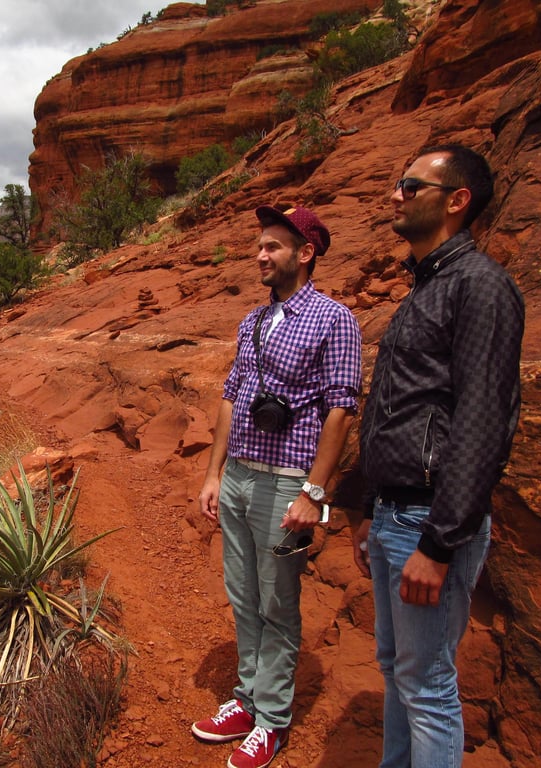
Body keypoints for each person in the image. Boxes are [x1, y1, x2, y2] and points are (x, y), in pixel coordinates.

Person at [354, 144, 524, 767]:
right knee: (396, 667)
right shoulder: (426, 287)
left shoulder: (481, 286)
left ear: (456, 201)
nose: (394, 195)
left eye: (410, 185)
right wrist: (370, 507)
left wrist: (439, 543)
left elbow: (484, 421)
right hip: (395, 514)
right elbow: (397, 408)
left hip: (429, 522)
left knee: (426, 686)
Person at [193, 205, 362, 768]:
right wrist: (214, 473)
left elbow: (340, 409)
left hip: (288, 480)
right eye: (259, 246)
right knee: (244, 597)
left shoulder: (335, 319)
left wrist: (313, 493)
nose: (260, 255)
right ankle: (246, 699)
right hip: (240, 475)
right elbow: (231, 395)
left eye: (273, 246)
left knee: (278, 603)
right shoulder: (253, 321)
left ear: (305, 253)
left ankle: (271, 719)